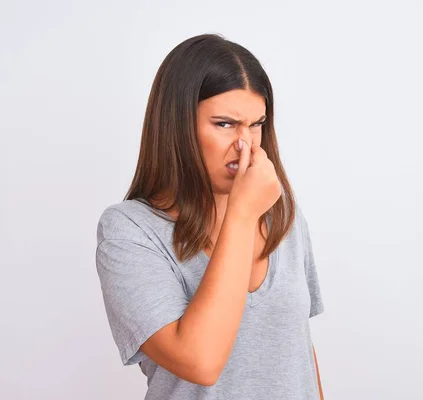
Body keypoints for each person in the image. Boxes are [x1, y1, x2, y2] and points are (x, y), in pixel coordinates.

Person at [95, 33, 325, 399]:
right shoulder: (130, 231)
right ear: (178, 125)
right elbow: (200, 362)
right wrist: (242, 214)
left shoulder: (283, 217)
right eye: (224, 124)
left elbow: (298, 356)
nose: (246, 144)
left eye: (256, 124)